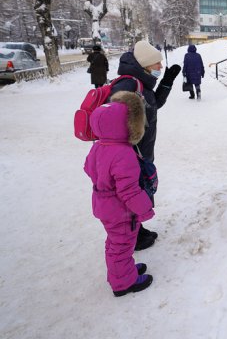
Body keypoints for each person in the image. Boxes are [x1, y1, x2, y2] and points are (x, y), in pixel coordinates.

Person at [110, 40, 181, 250]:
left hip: (142, 152)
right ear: (145, 64)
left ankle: (137, 229)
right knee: (132, 192)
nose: (160, 67)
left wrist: (167, 81)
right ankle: (134, 235)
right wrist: (129, 154)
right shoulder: (128, 86)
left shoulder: (142, 82)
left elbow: (154, 104)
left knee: (141, 191)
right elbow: (116, 125)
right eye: (157, 64)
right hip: (132, 155)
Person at [84, 91, 155, 297]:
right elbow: (129, 190)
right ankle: (124, 282)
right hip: (120, 211)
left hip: (102, 204)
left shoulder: (99, 146)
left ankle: (122, 271)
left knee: (115, 242)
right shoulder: (123, 153)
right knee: (122, 245)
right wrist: (145, 211)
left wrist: (103, 182)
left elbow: (88, 168)